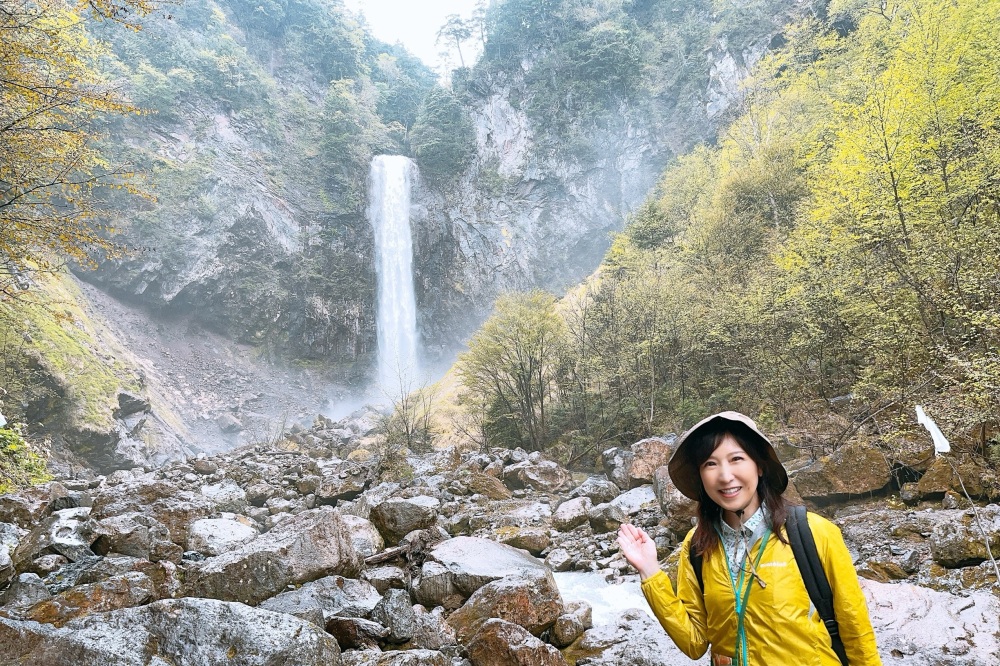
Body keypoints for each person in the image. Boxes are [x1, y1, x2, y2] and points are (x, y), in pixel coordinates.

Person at [616, 411, 881, 666]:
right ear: (701, 476)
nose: (725, 476)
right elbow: (694, 642)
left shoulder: (814, 532)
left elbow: (856, 630)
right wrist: (651, 572)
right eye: (710, 463)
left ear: (760, 466)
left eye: (736, 459)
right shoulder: (697, 546)